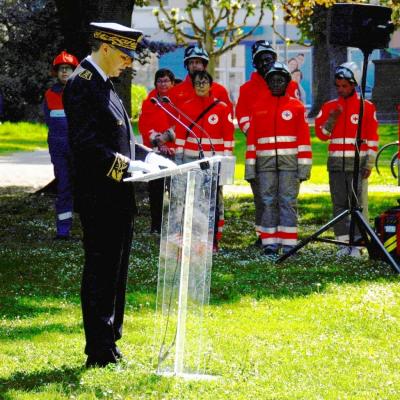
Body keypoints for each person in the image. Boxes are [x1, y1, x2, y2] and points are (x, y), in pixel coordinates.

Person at [63, 22, 175, 368]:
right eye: (126, 56)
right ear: (107, 48)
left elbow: (118, 136)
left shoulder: (104, 84)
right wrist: (126, 167)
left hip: (117, 197)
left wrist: (147, 156)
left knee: (116, 272)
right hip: (100, 196)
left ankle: (111, 341)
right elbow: (86, 146)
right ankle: (98, 350)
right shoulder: (83, 85)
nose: (129, 63)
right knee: (101, 272)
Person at [236, 40, 302, 246]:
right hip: (260, 150)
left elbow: (294, 113)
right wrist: (256, 133)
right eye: (261, 60)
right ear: (255, 64)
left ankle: (284, 237)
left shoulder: (289, 83)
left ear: (275, 59)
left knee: (285, 197)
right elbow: (243, 117)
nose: (266, 63)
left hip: (284, 152)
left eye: (269, 58)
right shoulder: (247, 89)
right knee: (262, 196)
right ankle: (264, 236)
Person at [245, 62, 312, 258]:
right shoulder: (258, 107)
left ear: (287, 82)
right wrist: (250, 169)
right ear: (267, 82)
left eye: (280, 79)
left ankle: (289, 244)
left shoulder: (297, 107)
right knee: (267, 202)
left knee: (288, 201)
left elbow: (304, 141)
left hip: (290, 166)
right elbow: (251, 142)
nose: (276, 83)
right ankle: (270, 244)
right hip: (264, 167)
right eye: (272, 80)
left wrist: (304, 168)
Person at [315, 61, 379, 258]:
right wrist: (332, 118)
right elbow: (322, 135)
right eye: (338, 86)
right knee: (339, 204)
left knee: (357, 204)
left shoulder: (366, 107)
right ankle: (342, 243)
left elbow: (372, 138)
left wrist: (368, 163)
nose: (340, 89)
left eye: (345, 86)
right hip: (336, 165)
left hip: (358, 166)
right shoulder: (329, 107)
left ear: (354, 85)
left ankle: (358, 244)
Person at [174, 70, 234, 252]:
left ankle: (212, 239)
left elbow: (228, 137)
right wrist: (179, 160)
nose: (201, 85)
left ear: (211, 85)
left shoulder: (222, 108)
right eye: (197, 82)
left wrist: (225, 163)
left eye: (204, 82)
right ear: (193, 86)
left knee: (212, 201)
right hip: (190, 161)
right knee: (190, 200)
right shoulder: (185, 106)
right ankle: (190, 237)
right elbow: (180, 134)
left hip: (213, 162)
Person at [43, 51, 79, 240]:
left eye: (68, 69)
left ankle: (91, 228)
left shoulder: (81, 91)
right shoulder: (49, 94)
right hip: (59, 150)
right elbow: (49, 121)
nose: (65, 72)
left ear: (74, 71)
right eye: (61, 69)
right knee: (63, 187)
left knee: (85, 188)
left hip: (80, 149)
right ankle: (63, 230)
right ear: (56, 72)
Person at [138, 68, 176, 233]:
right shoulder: (149, 101)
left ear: (172, 83)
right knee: (156, 191)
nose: (163, 84)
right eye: (160, 81)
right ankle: (156, 226)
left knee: (176, 190)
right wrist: (158, 140)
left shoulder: (178, 100)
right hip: (155, 150)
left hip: (174, 150)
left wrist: (168, 139)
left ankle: (175, 226)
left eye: (166, 80)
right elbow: (143, 124)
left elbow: (181, 121)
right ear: (155, 83)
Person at [169, 44, 233, 113]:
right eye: (191, 62)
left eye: (198, 62)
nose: (194, 65)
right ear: (187, 66)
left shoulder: (219, 90)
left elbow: (229, 114)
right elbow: (170, 119)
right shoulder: (176, 92)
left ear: (204, 65)